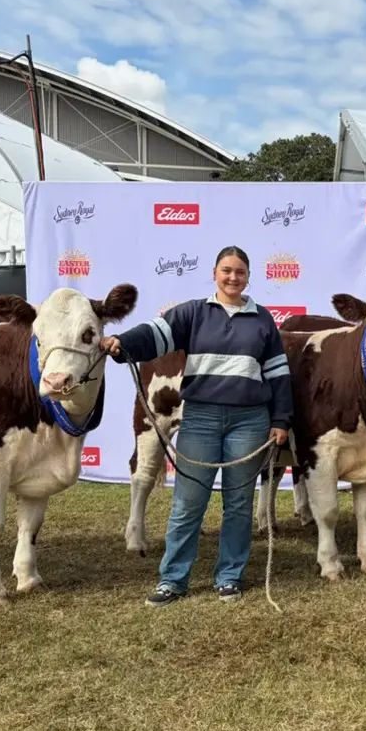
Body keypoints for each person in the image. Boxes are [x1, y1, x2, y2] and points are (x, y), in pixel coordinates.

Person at [101, 246, 292, 607]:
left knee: (238, 504)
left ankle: (230, 577)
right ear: (215, 273)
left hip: (249, 422)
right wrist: (122, 343)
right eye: (226, 270)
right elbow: (154, 335)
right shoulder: (192, 313)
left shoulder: (263, 320)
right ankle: (172, 579)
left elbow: (278, 374)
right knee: (188, 503)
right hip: (200, 419)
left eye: (240, 271)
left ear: (249, 276)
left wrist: (281, 419)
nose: (233, 277)